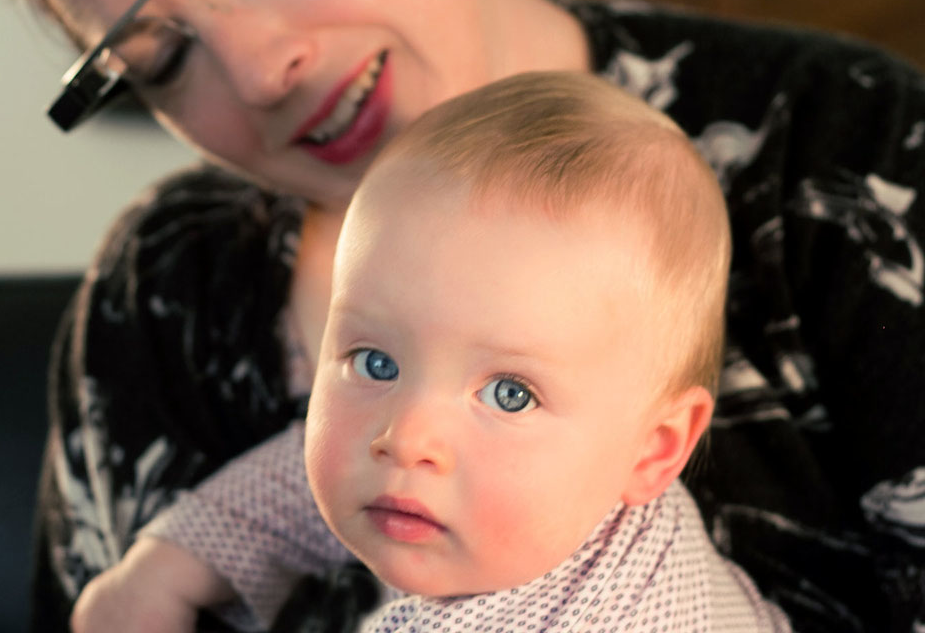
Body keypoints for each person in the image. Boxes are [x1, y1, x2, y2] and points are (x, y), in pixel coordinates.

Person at [0, 0, 925, 630]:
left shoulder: (859, 156)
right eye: (160, 57)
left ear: (660, 444)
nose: (260, 69)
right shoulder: (160, 298)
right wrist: (173, 560)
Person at [72, 71, 794, 632]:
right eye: (376, 363)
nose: (406, 437)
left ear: (653, 451)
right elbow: (299, 476)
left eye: (509, 393)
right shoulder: (541, 498)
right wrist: (167, 568)